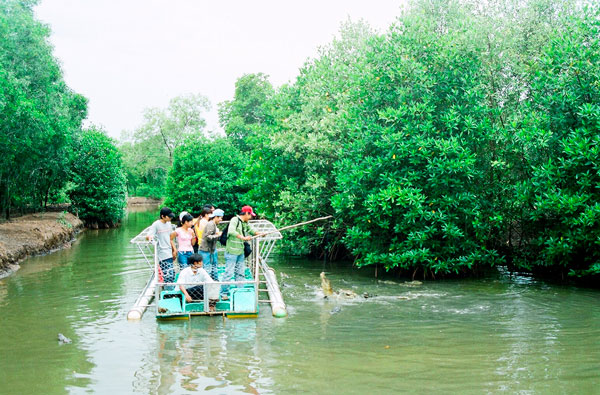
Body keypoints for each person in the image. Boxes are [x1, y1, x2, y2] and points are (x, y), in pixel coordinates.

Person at [221, 205, 262, 298]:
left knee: (240, 272)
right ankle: (224, 293)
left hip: (240, 252)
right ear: (246, 214)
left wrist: (259, 233)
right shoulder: (234, 220)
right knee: (229, 273)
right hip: (231, 252)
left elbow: (251, 230)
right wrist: (243, 237)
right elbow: (231, 231)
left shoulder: (245, 222)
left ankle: (240, 291)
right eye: (250, 215)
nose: (251, 217)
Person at [146, 207, 176, 286]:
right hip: (162, 252)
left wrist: (174, 250)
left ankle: (170, 289)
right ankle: (168, 291)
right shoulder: (156, 224)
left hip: (169, 251)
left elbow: (170, 238)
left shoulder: (169, 223)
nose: (170, 218)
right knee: (168, 273)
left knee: (172, 272)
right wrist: (150, 238)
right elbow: (148, 235)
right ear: (163, 216)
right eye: (169, 217)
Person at [199, 208, 224, 280]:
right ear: (216, 217)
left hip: (212, 249)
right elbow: (208, 237)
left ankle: (215, 281)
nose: (221, 220)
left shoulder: (214, 224)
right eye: (220, 218)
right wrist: (218, 235)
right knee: (206, 268)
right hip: (205, 250)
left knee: (214, 266)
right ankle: (207, 283)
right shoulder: (210, 224)